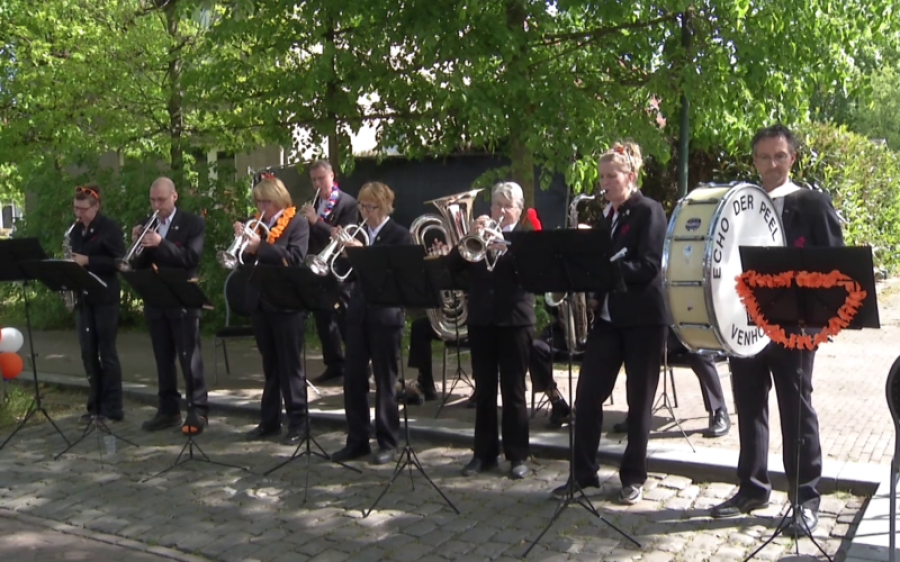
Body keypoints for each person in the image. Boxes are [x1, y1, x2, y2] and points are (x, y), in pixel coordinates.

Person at [711, 124, 843, 535]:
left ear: (793, 158)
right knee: (749, 407)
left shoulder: (813, 204)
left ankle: (805, 498)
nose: (772, 164)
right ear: (754, 161)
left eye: (780, 156)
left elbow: (835, 270)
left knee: (796, 409)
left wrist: (818, 322)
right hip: (745, 323)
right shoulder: (738, 206)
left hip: (796, 327)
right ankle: (752, 487)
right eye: (764, 157)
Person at [550, 141, 668, 504]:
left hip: (643, 319)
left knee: (638, 402)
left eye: (611, 176)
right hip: (608, 319)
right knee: (586, 398)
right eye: (601, 177)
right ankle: (583, 475)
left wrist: (605, 268)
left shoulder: (649, 211)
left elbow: (648, 266)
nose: (605, 183)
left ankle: (633, 476)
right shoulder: (608, 216)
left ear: (629, 176)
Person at [445, 181, 534, 480]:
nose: (501, 210)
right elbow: (451, 267)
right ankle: (483, 454)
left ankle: (518, 455)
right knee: (484, 391)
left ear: (519, 211)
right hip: (482, 321)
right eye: (497, 204)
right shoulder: (478, 237)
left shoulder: (526, 237)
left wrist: (507, 250)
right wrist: (470, 235)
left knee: (514, 392)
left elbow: (534, 274)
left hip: (514, 321)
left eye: (508, 206)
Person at [331, 182, 413, 465]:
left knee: (385, 382)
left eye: (371, 206)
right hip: (357, 315)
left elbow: (394, 277)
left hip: (386, 317)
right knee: (353, 380)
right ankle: (357, 440)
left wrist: (361, 254)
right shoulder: (359, 232)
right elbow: (343, 274)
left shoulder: (399, 236)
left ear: (386, 206)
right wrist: (343, 254)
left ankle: (388, 441)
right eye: (362, 206)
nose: (365, 212)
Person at [133, 177, 209, 435]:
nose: (157, 205)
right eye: (153, 200)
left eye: (161, 200)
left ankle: (197, 409)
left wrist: (160, 244)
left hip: (182, 299)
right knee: (162, 359)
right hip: (156, 299)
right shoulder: (147, 223)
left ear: (174, 196)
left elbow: (190, 257)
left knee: (190, 359)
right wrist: (136, 246)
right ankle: (168, 409)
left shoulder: (192, 222)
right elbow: (137, 265)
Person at [238, 176, 310, 445]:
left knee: (290, 366)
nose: (261, 206)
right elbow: (244, 260)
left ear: (279, 199)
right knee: (270, 366)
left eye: (266, 201)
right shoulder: (255, 223)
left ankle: (299, 422)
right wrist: (243, 245)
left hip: (286, 303)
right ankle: (269, 421)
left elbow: (292, 258)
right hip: (260, 300)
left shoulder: (297, 223)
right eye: (258, 201)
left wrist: (260, 247)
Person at [68, 184, 126, 423]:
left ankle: (113, 407)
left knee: (107, 353)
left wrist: (88, 260)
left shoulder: (109, 227)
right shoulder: (74, 231)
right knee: (88, 353)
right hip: (83, 297)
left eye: (83, 209)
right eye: (75, 208)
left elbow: (119, 260)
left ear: (96, 206)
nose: (78, 213)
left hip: (104, 297)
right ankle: (95, 405)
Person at [300, 160, 360, 386]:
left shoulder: (348, 203)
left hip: (339, 268)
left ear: (331, 176)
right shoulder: (313, 203)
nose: (317, 184)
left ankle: (358, 363)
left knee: (345, 317)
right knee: (323, 317)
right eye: (313, 179)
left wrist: (317, 222)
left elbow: (343, 236)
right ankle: (334, 364)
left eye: (321, 179)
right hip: (318, 266)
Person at [611, 328, 731, 437]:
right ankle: (637, 416)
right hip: (665, 337)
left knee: (700, 354)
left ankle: (720, 410)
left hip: (696, 336)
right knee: (639, 353)